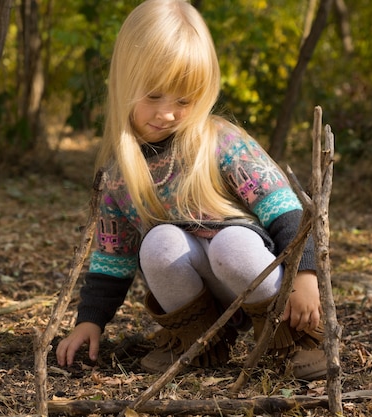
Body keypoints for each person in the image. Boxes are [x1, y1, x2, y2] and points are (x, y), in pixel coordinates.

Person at [56, 0, 327, 380]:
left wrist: (303, 276)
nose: (166, 113)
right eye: (152, 95)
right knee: (159, 243)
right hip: (200, 293)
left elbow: (285, 210)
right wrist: (90, 322)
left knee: (231, 244)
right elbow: (112, 258)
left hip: (257, 276)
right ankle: (198, 341)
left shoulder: (220, 142)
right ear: (124, 85)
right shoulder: (119, 175)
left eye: (183, 101)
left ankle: (291, 338)